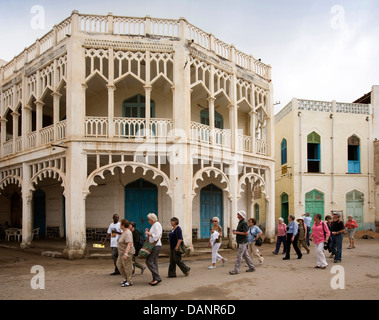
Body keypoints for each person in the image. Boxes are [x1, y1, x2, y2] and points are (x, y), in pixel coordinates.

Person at [229, 210, 256, 275]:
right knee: (246, 255)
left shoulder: (244, 222)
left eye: (238, 214)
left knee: (239, 256)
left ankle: (236, 270)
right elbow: (242, 231)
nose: (237, 215)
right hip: (241, 241)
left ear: (241, 215)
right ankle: (252, 267)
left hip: (242, 242)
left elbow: (246, 233)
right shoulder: (241, 222)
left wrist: (236, 232)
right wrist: (236, 231)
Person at [145, 213, 162, 286]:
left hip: (155, 245)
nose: (148, 221)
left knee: (149, 261)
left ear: (151, 219)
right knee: (154, 262)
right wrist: (149, 232)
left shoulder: (156, 225)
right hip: (156, 245)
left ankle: (157, 277)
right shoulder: (154, 225)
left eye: (148, 219)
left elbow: (157, 236)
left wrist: (149, 234)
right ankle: (155, 278)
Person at [116, 219, 135, 287]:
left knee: (127, 267)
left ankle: (129, 281)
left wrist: (126, 254)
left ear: (123, 225)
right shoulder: (123, 232)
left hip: (127, 253)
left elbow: (129, 243)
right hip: (121, 253)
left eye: (120, 224)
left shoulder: (127, 233)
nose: (120, 225)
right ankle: (126, 278)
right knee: (119, 265)